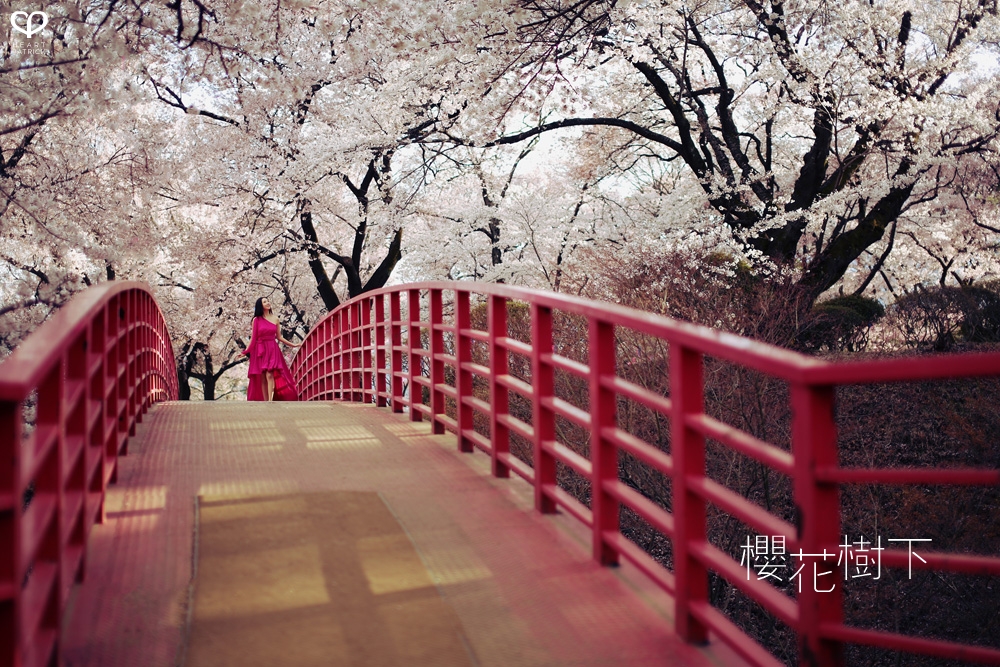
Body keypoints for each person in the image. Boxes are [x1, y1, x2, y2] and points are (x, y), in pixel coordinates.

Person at [241, 297, 301, 401]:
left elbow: (279, 337)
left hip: (272, 348)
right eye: (265, 302)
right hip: (260, 349)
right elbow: (253, 338)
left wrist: (293, 345)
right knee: (263, 377)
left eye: (268, 301)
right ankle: (265, 401)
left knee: (269, 374)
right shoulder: (256, 320)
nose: (268, 303)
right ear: (261, 305)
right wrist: (245, 351)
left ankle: (270, 401)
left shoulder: (275, 319)